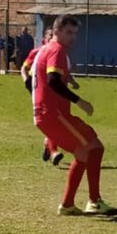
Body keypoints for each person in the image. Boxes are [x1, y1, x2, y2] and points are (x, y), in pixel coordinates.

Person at [31, 14, 117, 216]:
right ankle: (94, 201)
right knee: (95, 147)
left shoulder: (46, 49)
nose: (73, 37)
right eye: (68, 32)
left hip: (47, 115)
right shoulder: (57, 50)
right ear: (56, 32)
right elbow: (53, 80)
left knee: (83, 153)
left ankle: (68, 205)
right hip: (53, 115)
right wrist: (79, 101)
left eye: (75, 33)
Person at [22, 27, 70, 166]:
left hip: (61, 95)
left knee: (61, 126)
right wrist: (27, 82)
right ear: (45, 39)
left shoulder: (61, 54)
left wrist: (71, 81)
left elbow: (63, 72)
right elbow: (24, 68)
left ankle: (47, 145)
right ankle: (54, 152)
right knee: (52, 123)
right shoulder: (37, 52)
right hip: (44, 94)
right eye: (50, 37)